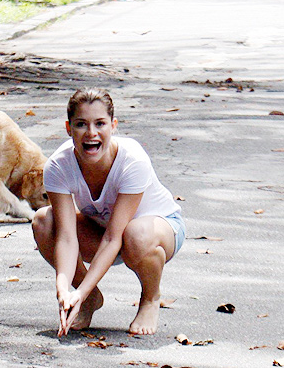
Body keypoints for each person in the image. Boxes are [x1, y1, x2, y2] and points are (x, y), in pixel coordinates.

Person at [32, 88, 186, 337]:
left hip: (155, 232)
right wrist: (65, 288)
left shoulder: (132, 160)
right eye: (81, 124)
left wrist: (77, 292)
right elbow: (66, 237)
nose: (91, 133)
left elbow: (115, 237)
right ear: (68, 128)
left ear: (113, 125)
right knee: (43, 221)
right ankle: (91, 298)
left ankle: (150, 298)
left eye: (100, 123)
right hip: (103, 232)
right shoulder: (58, 166)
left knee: (135, 233)